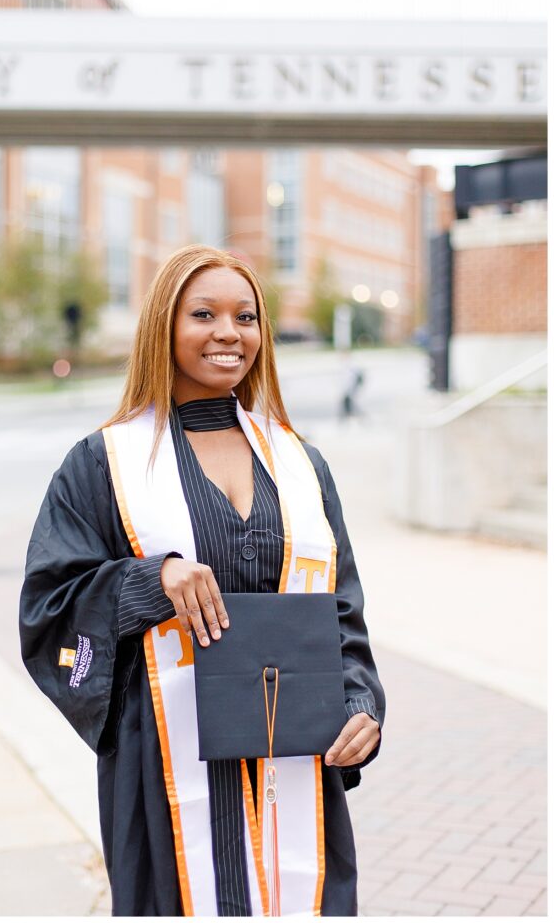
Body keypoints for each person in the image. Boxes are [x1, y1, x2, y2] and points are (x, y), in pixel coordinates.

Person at [20, 245, 385, 917]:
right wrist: (149, 581)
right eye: (204, 314)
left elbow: (342, 611)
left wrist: (361, 701)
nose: (228, 331)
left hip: (292, 755)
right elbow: (48, 610)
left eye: (245, 316)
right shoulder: (104, 464)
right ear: (164, 324)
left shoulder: (300, 464)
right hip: (164, 762)